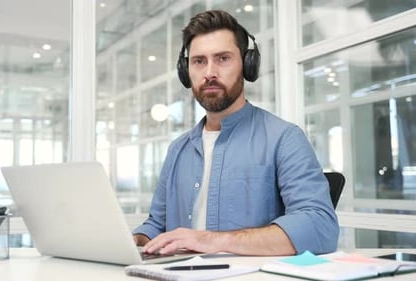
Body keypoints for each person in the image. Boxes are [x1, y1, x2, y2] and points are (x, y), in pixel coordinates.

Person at [133, 9, 339, 256]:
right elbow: (156, 224)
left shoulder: (284, 138)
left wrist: (210, 241)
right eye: (199, 61)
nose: (209, 72)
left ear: (247, 65)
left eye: (223, 58)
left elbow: (320, 227)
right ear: (185, 71)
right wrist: (135, 239)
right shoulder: (178, 149)